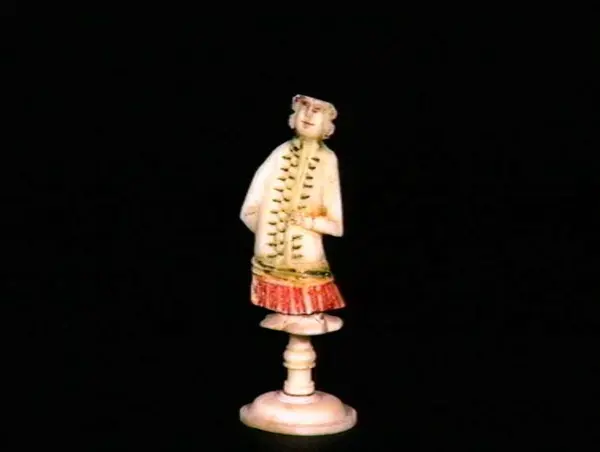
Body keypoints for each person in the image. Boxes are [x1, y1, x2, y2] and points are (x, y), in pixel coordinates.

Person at [240, 94, 345, 330]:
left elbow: (336, 224)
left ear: (328, 121)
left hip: (307, 257)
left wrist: (309, 223)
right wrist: (265, 235)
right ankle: (287, 314)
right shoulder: (280, 153)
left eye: (317, 109)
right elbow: (250, 205)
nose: (308, 114)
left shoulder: (327, 159)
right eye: (304, 106)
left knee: (308, 308)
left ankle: (310, 317)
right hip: (269, 259)